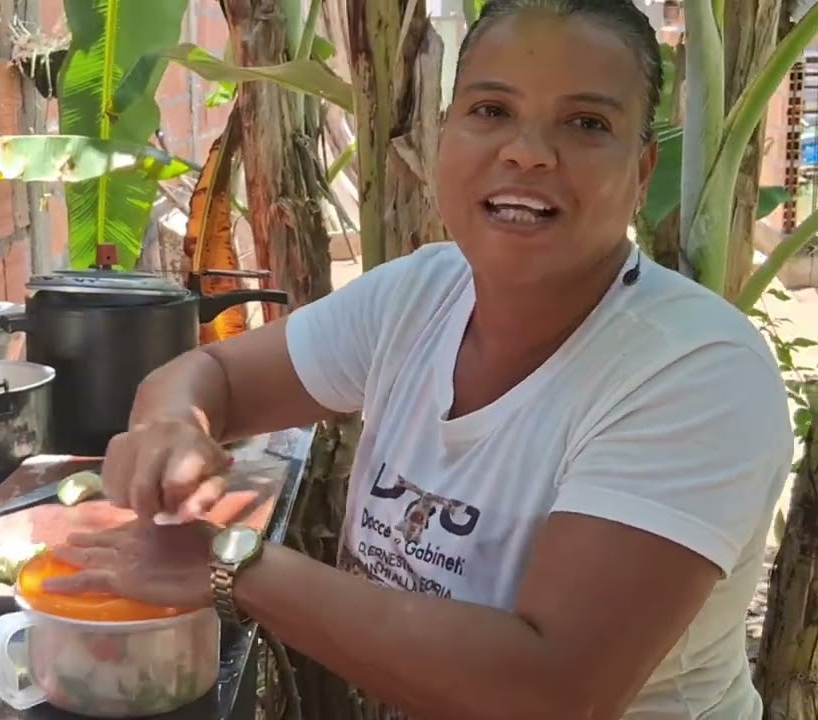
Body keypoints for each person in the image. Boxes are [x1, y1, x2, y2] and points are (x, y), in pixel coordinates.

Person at [42, 0, 795, 717]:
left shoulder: (697, 372)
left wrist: (231, 565)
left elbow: (554, 693)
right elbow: (216, 375)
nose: (527, 152)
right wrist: (173, 425)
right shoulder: (420, 293)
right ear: (443, 136)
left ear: (639, 174)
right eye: (491, 110)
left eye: (586, 122)